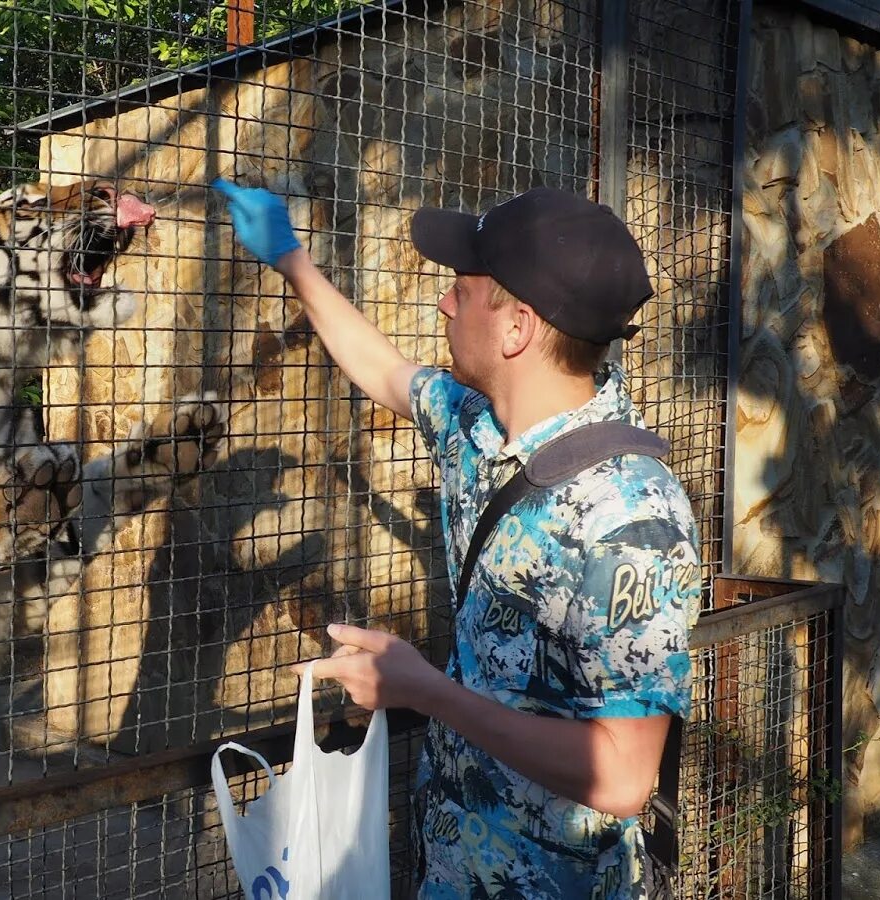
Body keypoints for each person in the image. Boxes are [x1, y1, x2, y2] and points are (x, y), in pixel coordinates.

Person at [211, 179, 702, 900]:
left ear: (517, 328)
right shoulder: (475, 425)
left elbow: (625, 775)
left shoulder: (631, 514)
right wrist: (292, 261)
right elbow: (382, 369)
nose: (443, 302)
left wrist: (426, 691)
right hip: (451, 863)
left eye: (462, 290)